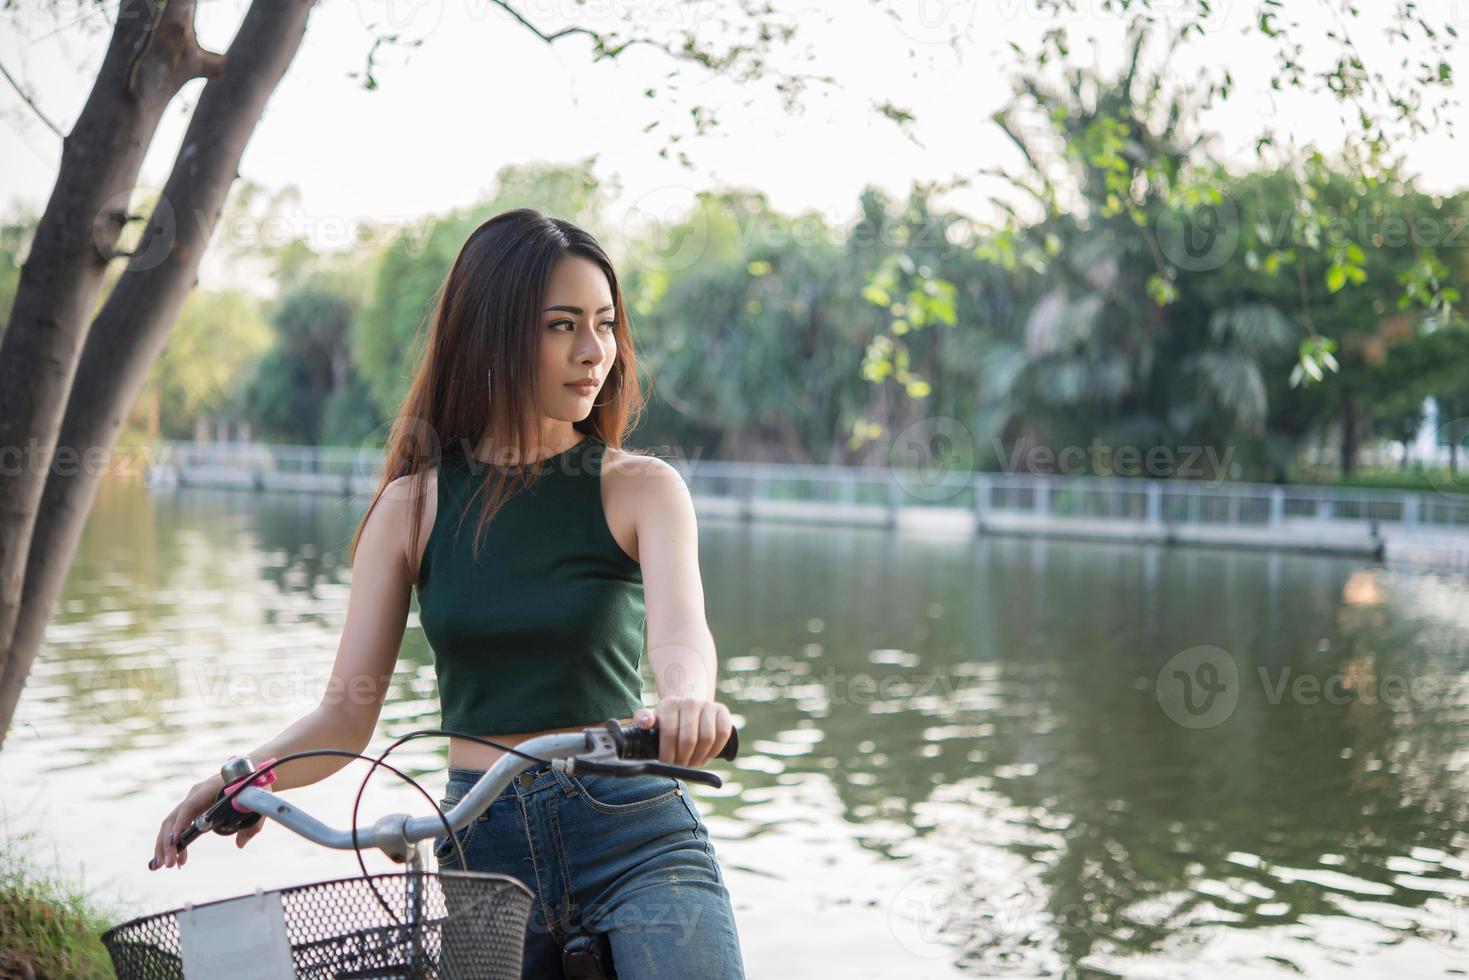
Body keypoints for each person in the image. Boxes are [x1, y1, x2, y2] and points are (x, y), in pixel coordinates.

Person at [148, 207, 747, 977]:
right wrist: (234, 780)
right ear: (492, 335)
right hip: (482, 845)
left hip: (633, 834)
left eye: (604, 324)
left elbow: (680, 636)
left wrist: (687, 700)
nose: (594, 351)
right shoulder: (412, 506)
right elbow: (345, 711)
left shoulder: (641, 489)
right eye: (562, 325)